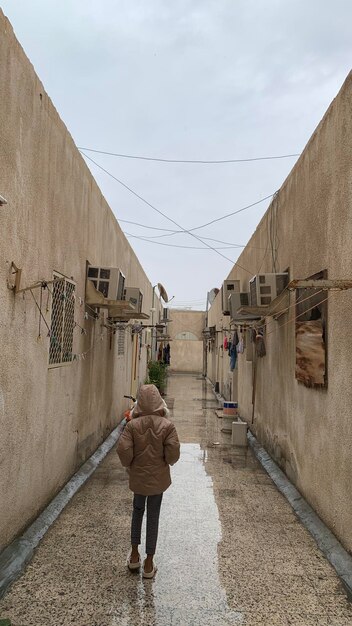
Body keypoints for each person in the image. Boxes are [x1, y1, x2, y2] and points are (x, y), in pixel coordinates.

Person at [117, 384, 180, 578]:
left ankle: (134, 556)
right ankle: (149, 564)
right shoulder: (167, 426)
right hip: (158, 480)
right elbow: (172, 456)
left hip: (138, 478)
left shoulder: (132, 426)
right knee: (153, 517)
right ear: (158, 400)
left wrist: (132, 463)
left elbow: (124, 452)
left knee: (137, 512)